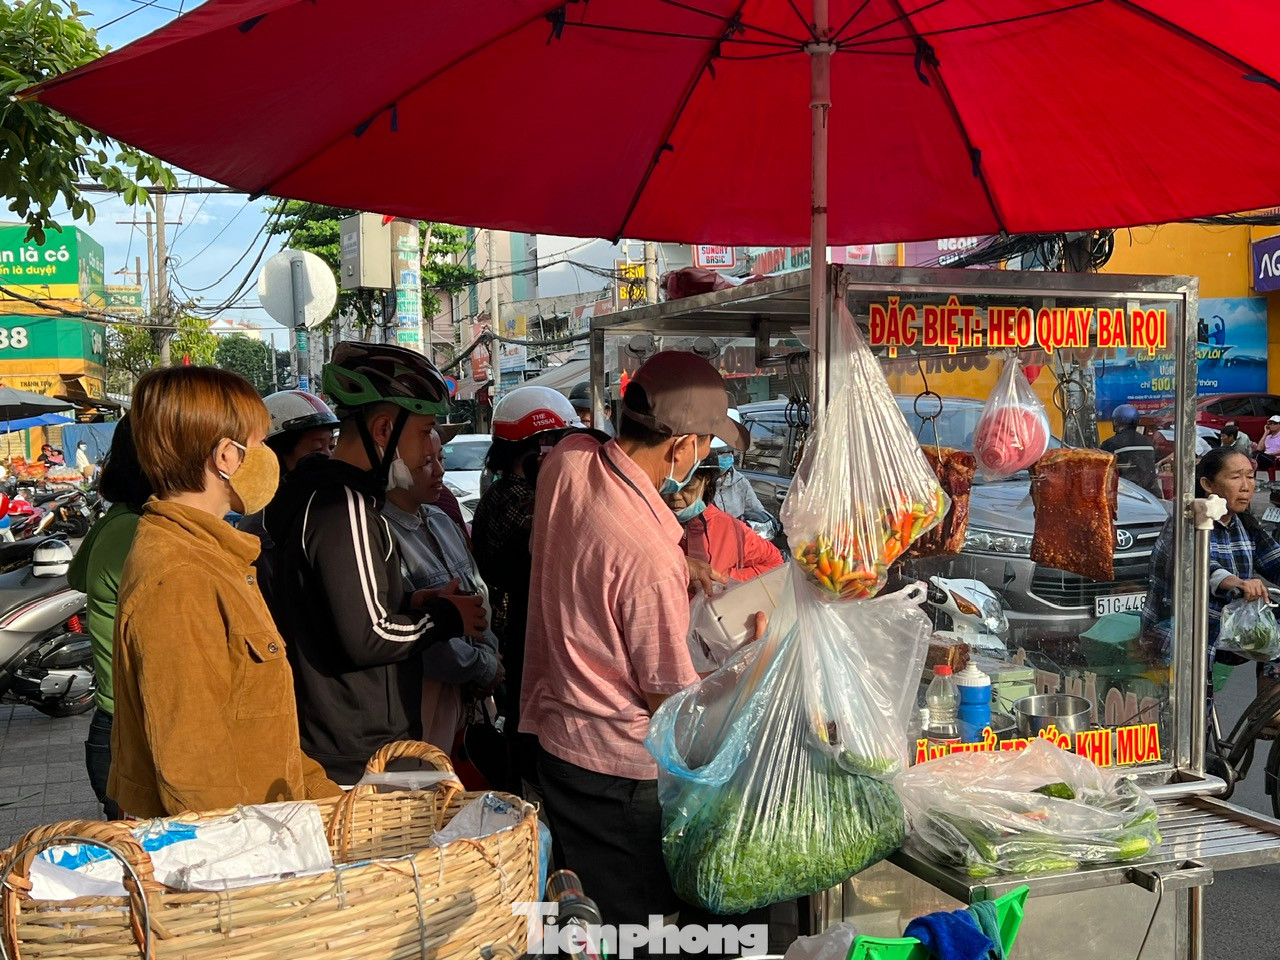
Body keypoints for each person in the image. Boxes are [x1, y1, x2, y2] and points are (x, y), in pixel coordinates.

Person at [521, 351, 750, 934]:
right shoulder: (649, 560)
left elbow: (595, 547)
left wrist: (680, 563)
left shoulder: (567, 460)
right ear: (680, 447)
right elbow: (671, 704)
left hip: (556, 746)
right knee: (633, 933)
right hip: (617, 775)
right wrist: (756, 656)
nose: (704, 458)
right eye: (704, 446)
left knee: (582, 915)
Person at [108, 367, 341, 817]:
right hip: (238, 843)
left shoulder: (210, 554)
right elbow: (195, 771)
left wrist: (329, 801)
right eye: (259, 444)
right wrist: (246, 851)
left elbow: (261, 730)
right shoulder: (180, 575)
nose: (267, 457)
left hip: (269, 823)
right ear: (226, 457)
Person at [260, 341, 487, 784]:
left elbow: (339, 609)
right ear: (384, 430)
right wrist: (445, 616)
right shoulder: (343, 505)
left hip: (348, 741)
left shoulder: (334, 496)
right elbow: (370, 635)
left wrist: (410, 601)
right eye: (424, 431)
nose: (429, 449)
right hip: (360, 753)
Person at [471, 385, 584, 793]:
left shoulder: (508, 493)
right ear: (536, 451)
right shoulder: (519, 504)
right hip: (518, 639)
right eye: (556, 444)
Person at [382, 428, 502, 749]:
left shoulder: (441, 520)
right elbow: (425, 640)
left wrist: (489, 655)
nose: (439, 470)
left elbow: (479, 597)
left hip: (471, 699)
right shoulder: (382, 535)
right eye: (425, 462)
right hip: (427, 702)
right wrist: (483, 666)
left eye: (440, 459)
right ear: (394, 466)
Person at [1143, 448, 1280, 706]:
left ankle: (1267, 710)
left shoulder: (1245, 524)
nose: (1246, 486)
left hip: (1226, 628)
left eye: (1250, 477)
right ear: (1207, 484)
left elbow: (1274, 560)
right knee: (1193, 711)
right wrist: (1237, 582)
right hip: (1182, 630)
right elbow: (1197, 564)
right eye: (1235, 477)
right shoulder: (1183, 522)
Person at [66, 417, 152, 821]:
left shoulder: (118, 519)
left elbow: (76, 576)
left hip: (115, 724)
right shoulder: (137, 531)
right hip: (132, 736)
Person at [238, 390, 339, 604]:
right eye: (317, 449)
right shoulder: (262, 528)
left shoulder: (327, 510)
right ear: (276, 456)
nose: (328, 458)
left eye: (331, 447)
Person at [666, 454, 783, 582]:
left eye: (687, 487)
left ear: (706, 481)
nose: (675, 496)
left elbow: (774, 562)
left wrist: (726, 579)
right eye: (667, 487)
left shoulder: (730, 528)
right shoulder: (651, 525)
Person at [1100, 403, 1160, 497]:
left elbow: (1101, 470)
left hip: (1126, 494)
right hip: (1150, 494)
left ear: (1117, 422)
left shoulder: (1111, 443)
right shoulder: (1148, 442)